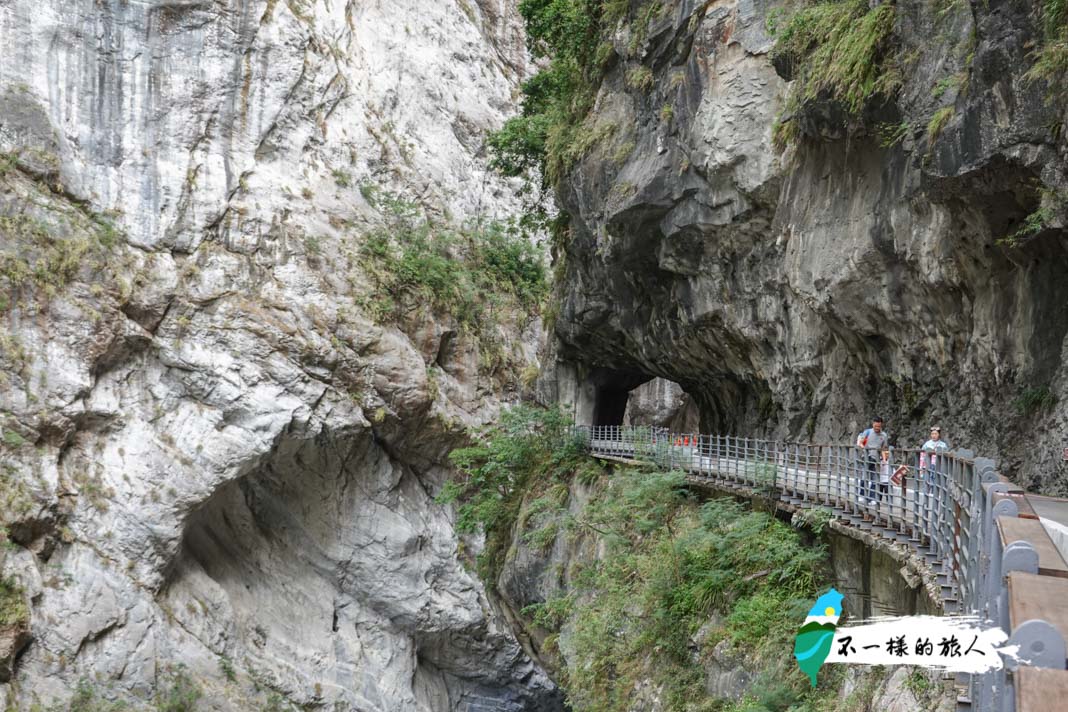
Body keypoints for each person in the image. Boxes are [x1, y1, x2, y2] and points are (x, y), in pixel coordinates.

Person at [856, 417, 890, 505]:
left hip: (876, 459)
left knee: (875, 479)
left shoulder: (884, 435)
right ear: (873, 424)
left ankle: (872, 498)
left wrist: (885, 460)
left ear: (881, 425)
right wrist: (864, 448)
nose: (877, 428)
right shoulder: (867, 432)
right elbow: (860, 442)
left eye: (878, 426)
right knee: (864, 476)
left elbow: (883, 448)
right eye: (875, 426)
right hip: (866, 457)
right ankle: (862, 495)